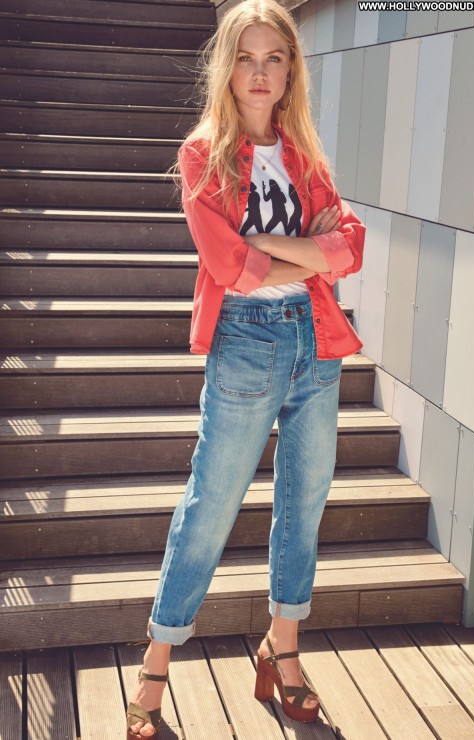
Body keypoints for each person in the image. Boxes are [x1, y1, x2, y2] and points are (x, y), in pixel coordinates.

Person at [126, 0, 365, 736]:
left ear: (291, 70)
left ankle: (281, 649)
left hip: (315, 341)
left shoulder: (303, 154)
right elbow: (229, 266)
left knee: (304, 503)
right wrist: (310, 251)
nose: (260, 73)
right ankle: (156, 664)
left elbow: (352, 246)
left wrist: (272, 245)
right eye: (246, 58)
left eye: (275, 58)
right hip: (246, 344)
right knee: (211, 505)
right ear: (227, 69)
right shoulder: (203, 156)